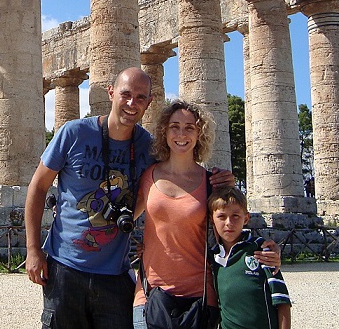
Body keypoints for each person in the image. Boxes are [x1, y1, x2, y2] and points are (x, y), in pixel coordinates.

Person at [24, 68, 234, 329]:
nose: (132, 103)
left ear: (149, 101)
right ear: (111, 92)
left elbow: (176, 180)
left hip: (116, 273)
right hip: (65, 268)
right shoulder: (74, 133)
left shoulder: (149, 148)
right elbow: (38, 187)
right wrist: (33, 249)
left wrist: (219, 181)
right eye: (126, 94)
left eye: (140, 97)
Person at [131, 100, 279, 329]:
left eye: (190, 127)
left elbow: (231, 230)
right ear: (164, 131)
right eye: (174, 126)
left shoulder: (213, 183)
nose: (181, 134)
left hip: (199, 298)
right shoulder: (147, 176)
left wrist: (266, 249)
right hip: (149, 295)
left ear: (199, 133)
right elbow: (122, 220)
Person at [208, 187, 292, 329]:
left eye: (235, 216)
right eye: (222, 217)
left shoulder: (261, 251)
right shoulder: (212, 258)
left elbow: (282, 301)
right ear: (212, 219)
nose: (229, 222)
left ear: (246, 218)